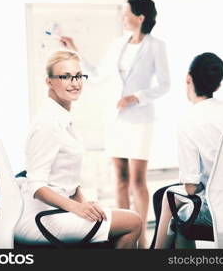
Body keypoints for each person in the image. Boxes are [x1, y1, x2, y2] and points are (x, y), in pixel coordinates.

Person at [60, 0, 170, 248]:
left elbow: (164, 85)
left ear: (140, 17)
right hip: (116, 119)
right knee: (119, 177)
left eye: (126, 13)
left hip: (140, 119)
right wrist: (74, 49)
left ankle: (142, 240)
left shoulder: (156, 46)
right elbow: (97, 75)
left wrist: (136, 97)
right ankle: (126, 233)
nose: (122, 18)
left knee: (137, 179)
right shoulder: (117, 44)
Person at [14, 50, 142, 248]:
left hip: (56, 210)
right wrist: (77, 208)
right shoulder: (48, 123)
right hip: (39, 218)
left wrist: (85, 203)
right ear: (49, 82)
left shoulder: (62, 117)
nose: (74, 83)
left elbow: (66, 180)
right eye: (65, 77)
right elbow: (36, 186)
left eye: (78, 76)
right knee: (133, 222)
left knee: (117, 217)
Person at [153, 52, 223, 249]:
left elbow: (190, 187)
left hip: (219, 212)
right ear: (218, 85)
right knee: (171, 201)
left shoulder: (188, 120)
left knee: (172, 204)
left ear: (188, 78)